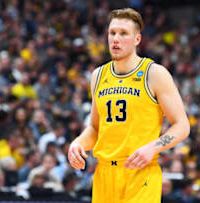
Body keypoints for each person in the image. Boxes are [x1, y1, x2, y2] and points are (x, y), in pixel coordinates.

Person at [67, 8, 190, 203]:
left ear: (137, 39)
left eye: (123, 33)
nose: (115, 39)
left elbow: (182, 126)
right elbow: (95, 128)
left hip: (141, 173)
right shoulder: (98, 76)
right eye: (112, 33)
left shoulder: (154, 74)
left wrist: (153, 147)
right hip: (104, 173)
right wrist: (78, 143)